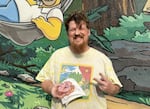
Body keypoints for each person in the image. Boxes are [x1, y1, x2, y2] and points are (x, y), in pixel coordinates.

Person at [36, 11, 122, 109]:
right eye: (73, 29)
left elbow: (116, 87)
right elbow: (44, 80)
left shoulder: (101, 59)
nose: (77, 33)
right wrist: (52, 89)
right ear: (68, 34)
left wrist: (110, 88)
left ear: (88, 32)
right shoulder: (57, 56)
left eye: (81, 28)